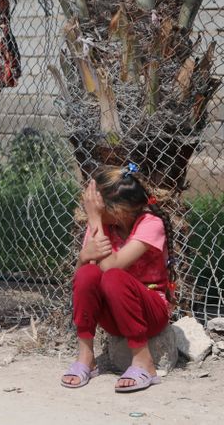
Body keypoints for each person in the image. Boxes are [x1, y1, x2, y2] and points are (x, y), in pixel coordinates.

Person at [61, 163, 175, 392]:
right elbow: (81, 281)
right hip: (114, 315)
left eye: (96, 207)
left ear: (118, 211)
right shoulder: (102, 225)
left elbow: (113, 266)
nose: (90, 211)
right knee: (88, 273)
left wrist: (94, 222)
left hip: (150, 311)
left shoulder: (151, 224)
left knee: (112, 276)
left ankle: (144, 362)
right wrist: (83, 257)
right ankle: (86, 358)